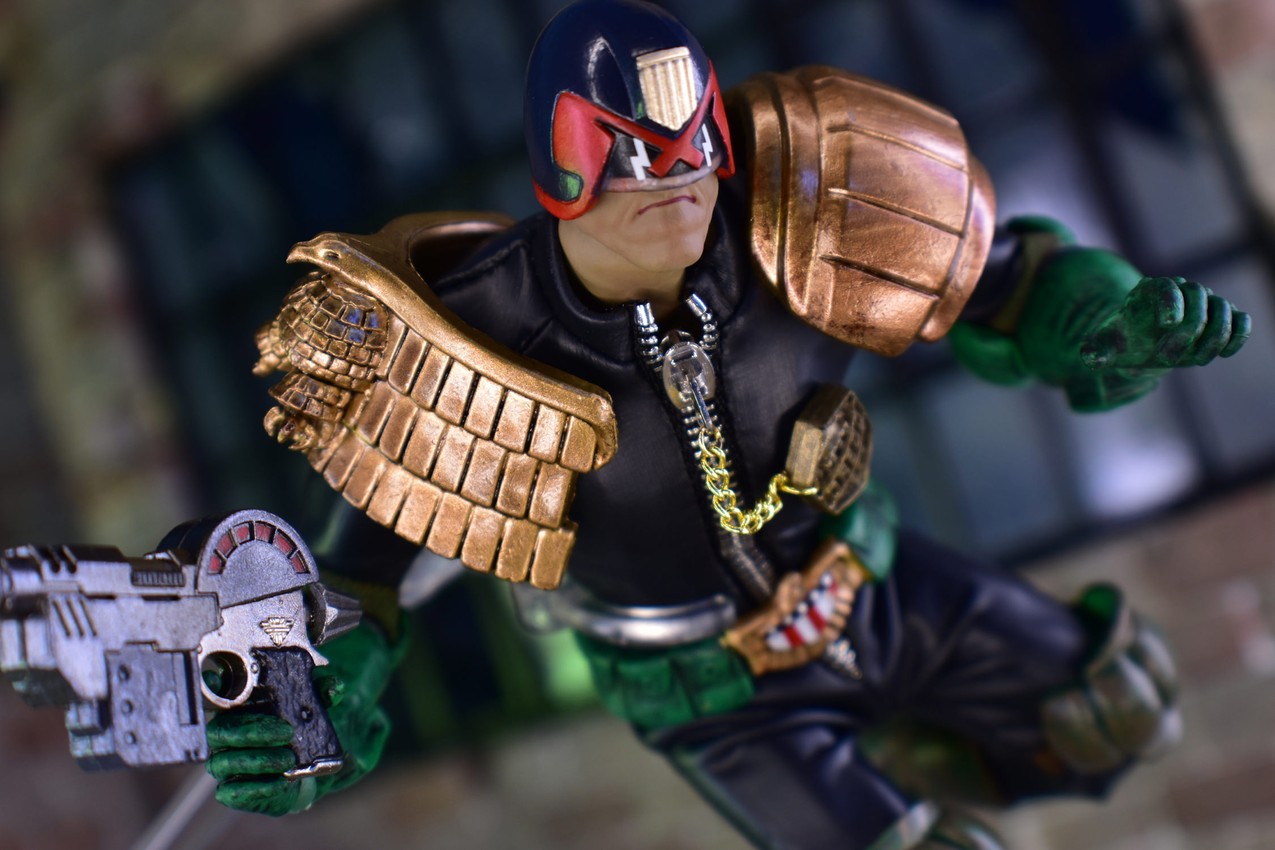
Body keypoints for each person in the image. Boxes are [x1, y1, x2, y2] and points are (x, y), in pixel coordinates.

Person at [208, 2, 1248, 848]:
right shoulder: (460, 335)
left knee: (1113, 705)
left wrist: (1103, 322)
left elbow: (1009, 281)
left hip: (868, 583)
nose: (674, 179)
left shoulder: (810, 199)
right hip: (708, 691)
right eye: (630, 155)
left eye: (691, 145)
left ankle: (905, 751)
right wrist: (314, 699)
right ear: (561, 163)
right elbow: (355, 583)